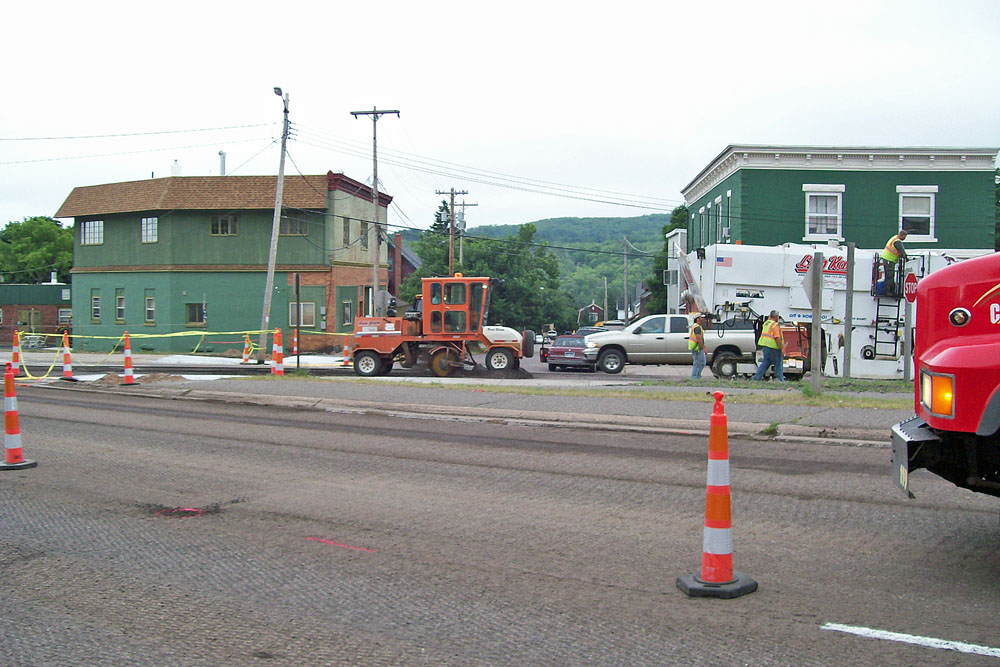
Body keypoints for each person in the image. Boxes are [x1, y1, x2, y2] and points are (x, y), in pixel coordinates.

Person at [752, 310, 785, 381]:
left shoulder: (766, 324)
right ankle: (780, 380)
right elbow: (777, 337)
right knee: (779, 364)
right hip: (774, 348)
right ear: (776, 317)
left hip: (766, 347)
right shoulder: (775, 326)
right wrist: (782, 348)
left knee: (765, 363)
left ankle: (756, 378)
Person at [880, 229, 908, 295]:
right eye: (905, 237)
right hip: (889, 259)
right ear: (902, 235)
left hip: (887, 258)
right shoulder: (897, 242)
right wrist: (906, 258)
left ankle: (890, 290)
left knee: (889, 275)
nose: (905, 238)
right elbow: (902, 251)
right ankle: (887, 291)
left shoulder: (894, 237)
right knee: (890, 275)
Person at [688, 313, 708, 379]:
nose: (704, 319)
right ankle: (694, 377)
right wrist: (704, 348)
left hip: (697, 347)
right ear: (698, 319)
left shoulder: (697, 326)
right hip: (697, 348)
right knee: (698, 363)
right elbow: (699, 338)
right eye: (702, 318)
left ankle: (697, 376)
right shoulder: (697, 327)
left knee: (701, 363)